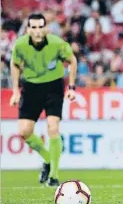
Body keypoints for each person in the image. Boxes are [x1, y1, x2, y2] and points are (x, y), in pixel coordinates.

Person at [9, 13, 77, 187]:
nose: (38, 31)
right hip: (31, 88)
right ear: (28, 29)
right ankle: (47, 159)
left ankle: (54, 175)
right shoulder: (21, 45)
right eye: (34, 27)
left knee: (53, 127)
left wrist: (71, 87)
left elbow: (72, 60)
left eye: (41, 27)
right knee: (24, 131)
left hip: (53, 87)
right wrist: (16, 91)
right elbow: (15, 64)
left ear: (46, 28)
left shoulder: (57, 44)